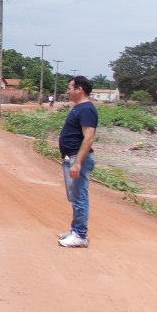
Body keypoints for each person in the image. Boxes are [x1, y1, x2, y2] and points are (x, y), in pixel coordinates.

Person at [58, 76, 99, 248]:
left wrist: (78, 163)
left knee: (80, 196)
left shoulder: (87, 109)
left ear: (79, 89)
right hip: (71, 157)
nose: (68, 91)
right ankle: (76, 230)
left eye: (70, 88)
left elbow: (89, 138)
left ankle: (80, 235)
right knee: (75, 197)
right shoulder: (79, 107)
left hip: (77, 158)